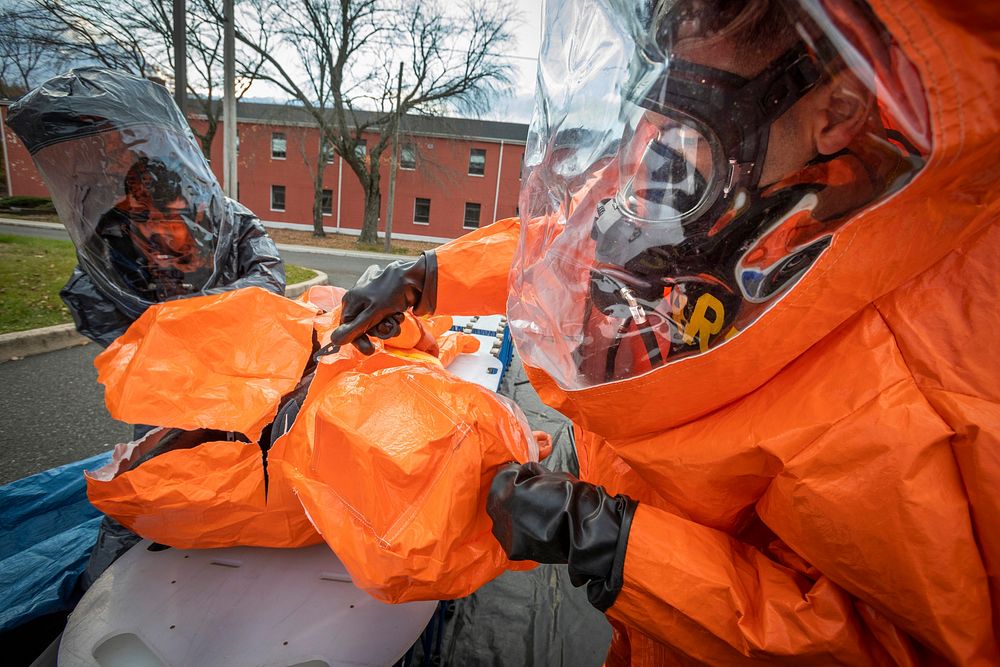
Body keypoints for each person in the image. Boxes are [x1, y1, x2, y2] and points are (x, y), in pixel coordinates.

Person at [331, 0, 999, 663]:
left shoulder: (915, 362)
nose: (665, 149)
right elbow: (578, 249)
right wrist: (428, 276)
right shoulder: (717, 160)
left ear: (836, 111)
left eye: (695, 119)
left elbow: (896, 644)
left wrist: (616, 544)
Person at [7, 67, 285, 348]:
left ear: (197, 209)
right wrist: (148, 333)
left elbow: (268, 278)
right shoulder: (115, 231)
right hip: (152, 363)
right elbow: (92, 294)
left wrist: (183, 313)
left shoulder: (233, 222)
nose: (152, 230)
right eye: (141, 215)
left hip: (229, 351)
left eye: (168, 218)